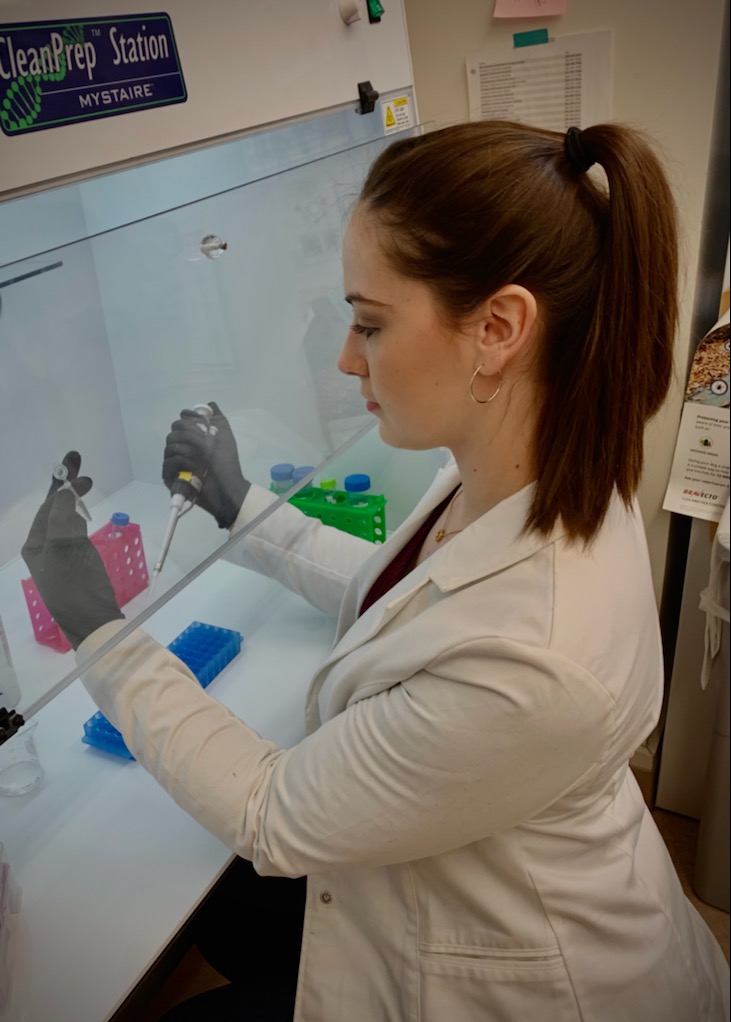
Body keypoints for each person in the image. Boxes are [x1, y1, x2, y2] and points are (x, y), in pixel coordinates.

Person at [22, 121, 730, 1022]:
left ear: (498, 329)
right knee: (230, 915)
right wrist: (240, 505)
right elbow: (408, 590)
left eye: (370, 323)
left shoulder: (538, 655)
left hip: (534, 987)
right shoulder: (533, 466)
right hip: (472, 867)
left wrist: (99, 630)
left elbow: (271, 812)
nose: (345, 359)